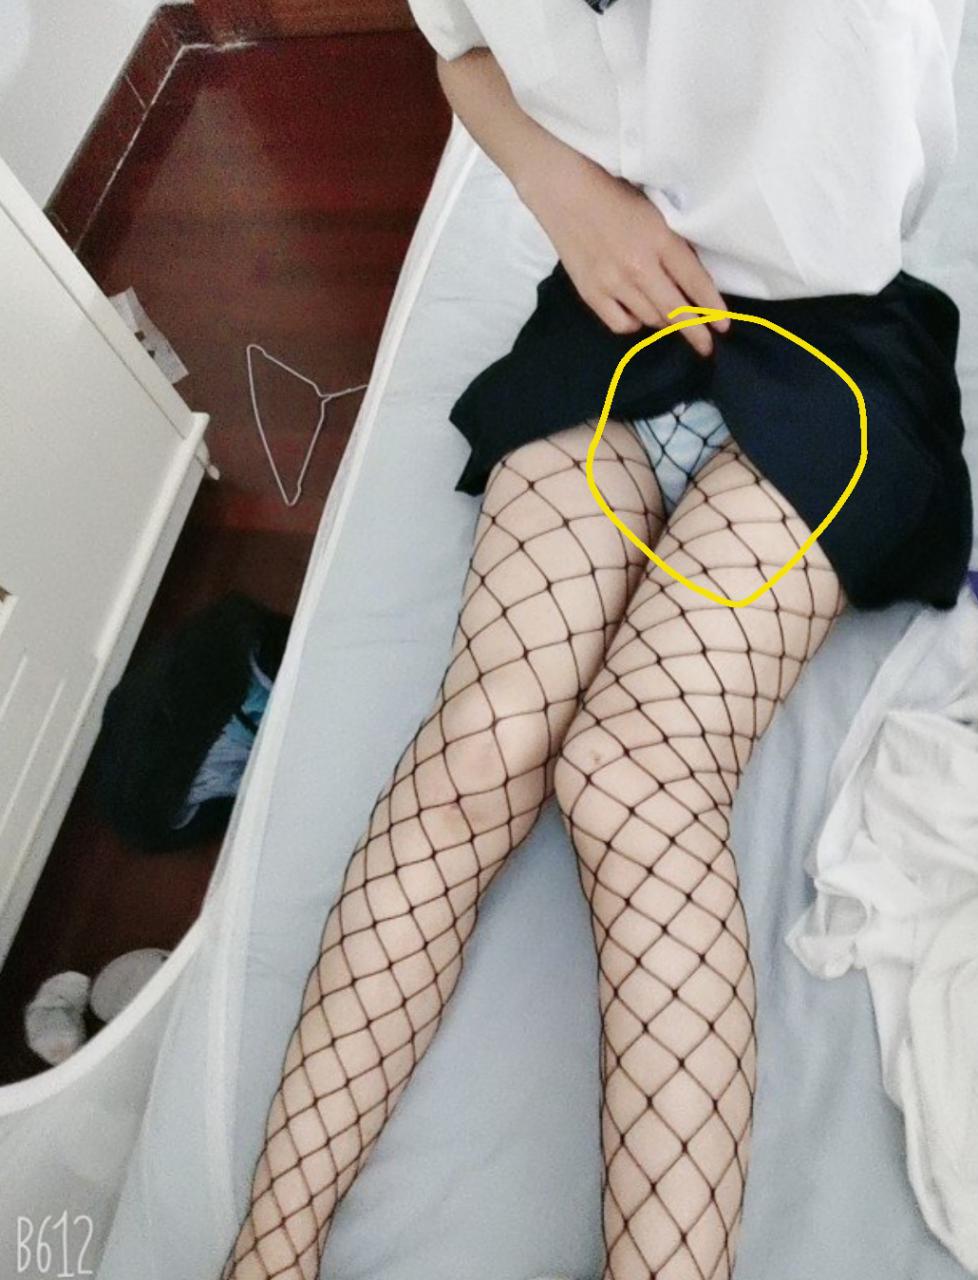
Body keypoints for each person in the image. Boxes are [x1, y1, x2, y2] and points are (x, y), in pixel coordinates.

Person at [221, 2, 972, 1278]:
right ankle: (263, 1256)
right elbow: (460, 51)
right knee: (481, 746)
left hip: (839, 331)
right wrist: (558, 184)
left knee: (632, 776)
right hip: (611, 296)